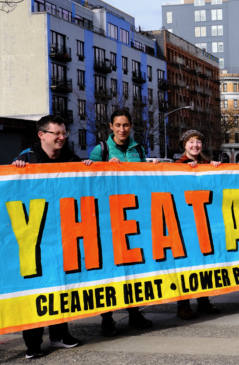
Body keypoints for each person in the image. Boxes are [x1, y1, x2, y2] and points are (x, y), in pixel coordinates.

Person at [12, 115, 93, 359]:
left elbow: (85, 189)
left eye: (63, 133)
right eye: (56, 133)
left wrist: (91, 169)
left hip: (64, 234)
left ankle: (59, 335)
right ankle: (33, 343)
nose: (61, 137)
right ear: (42, 135)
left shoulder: (72, 159)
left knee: (62, 285)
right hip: (34, 235)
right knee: (35, 287)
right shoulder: (25, 159)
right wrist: (14, 173)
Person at [88, 108, 154, 335]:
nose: (122, 129)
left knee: (133, 267)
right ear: (111, 127)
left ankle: (134, 313)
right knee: (109, 270)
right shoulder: (101, 149)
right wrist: (104, 166)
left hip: (133, 216)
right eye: (118, 125)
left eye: (125, 125)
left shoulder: (139, 148)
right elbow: (89, 176)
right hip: (108, 218)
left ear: (131, 126)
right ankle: (106, 319)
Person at [174, 129, 222, 319]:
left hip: (205, 220)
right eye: (191, 142)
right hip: (186, 222)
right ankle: (183, 305)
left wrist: (216, 169)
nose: (195, 145)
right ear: (184, 145)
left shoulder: (207, 164)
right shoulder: (177, 165)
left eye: (198, 142)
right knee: (186, 264)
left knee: (205, 263)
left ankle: (203, 301)